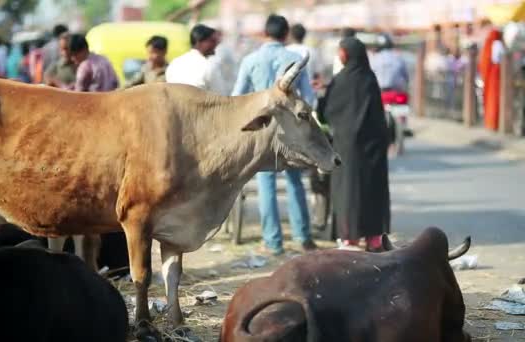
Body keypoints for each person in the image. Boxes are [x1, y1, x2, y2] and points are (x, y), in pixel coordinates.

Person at [231, 14, 317, 256]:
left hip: (262, 129)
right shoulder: (295, 59)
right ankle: (303, 237)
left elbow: (237, 96)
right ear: (286, 34)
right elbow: (309, 98)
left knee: (265, 183)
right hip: (291, 130)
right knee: (294, 181)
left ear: (265, 33)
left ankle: (273, 242)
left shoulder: (250, 60)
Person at [318, 37, 390, 252]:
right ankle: (373, 238)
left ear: (347, 55)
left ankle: (349, 237)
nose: (339, 55)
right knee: (372, 189)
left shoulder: (340, 80)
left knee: (347, 190)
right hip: (373, 147)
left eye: (341, 52)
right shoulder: (369, 79)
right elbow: (378, 116)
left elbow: (327, 113)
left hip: (345, 146)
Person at [166, 24, 222, 92]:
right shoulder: (209, 66)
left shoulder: (174, 63)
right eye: (212, 41)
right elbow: (220, 96)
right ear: (199, 42)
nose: (216, 44)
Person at [478, 29, 503, 131]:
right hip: (495, 75)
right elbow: (499, 58)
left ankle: (491, 122)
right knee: (494, 99)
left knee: (489, 99)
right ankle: (494, 122)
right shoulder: (497, 43)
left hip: (490, 74)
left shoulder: (489, 43)